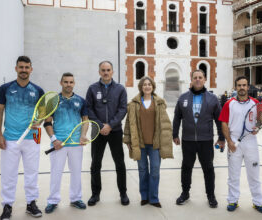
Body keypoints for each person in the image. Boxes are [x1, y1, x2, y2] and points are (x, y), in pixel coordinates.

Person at [0, 56, 44, 220]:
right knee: (8, 174)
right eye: (21, 67)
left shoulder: (38, 90)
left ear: (31, 69)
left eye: (26, 67)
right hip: (10, 138)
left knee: (32, 173)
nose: (23, 70)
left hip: (33, 138)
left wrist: (40, 120)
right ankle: (7, 205)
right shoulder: (5, 88)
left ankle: (31, 203)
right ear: (16, 68)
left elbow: (44, 114)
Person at [173, 69, 225, 208]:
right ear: (191, 79)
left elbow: (219, 120)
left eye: (200, 77)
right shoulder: (183, 97)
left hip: (206, 140)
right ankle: (185, 193)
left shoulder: (212, 98)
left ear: (204, 79)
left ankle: (211, 196)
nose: (197, 79)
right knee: (186, 167)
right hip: (188, 140)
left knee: (208, 168)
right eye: (195, 77)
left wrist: (221, 137)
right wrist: (175, 134)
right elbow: (177, 117)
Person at [219, 76, 262, 214]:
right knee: (233, 175)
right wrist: (229, 141)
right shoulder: (229, 104)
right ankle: (233, 200)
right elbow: (224, 123)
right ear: (235, 87)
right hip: (234, 141)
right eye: (239, 85)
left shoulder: (255, 103)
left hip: (250, 142)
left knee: (254, 175)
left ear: (248, 87)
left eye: (244, 85)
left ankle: (257, 202)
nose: (242, 88)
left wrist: (258, 127)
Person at [123, 76, 173, 208]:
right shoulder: (134, 104)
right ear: (141, 87)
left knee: (155, 170)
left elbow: (165, 124)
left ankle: (154, 198)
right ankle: (144, 196)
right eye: (144, 84)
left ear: (153, 87)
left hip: (155, 143)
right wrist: (128, 139)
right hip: (140, 143)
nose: (147, 86)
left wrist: (167, 140)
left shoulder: (159, 103)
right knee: (143, 170)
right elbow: (129, 123)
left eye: (149, 84)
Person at [85, 61, 129, 206]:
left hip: (115, 131)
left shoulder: (120, 89)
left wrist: (110, 125)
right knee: (95, 164)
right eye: (103, 70)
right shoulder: (92, 89)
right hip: (98, 132)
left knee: (120, 163)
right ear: (99, 72)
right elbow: (89, 109)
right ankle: (95, 194)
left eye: (108, 70)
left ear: (112, 72)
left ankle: (123, 193)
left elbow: (123, 109)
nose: (105, 72)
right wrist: (99, 125)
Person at [44, 73, 88, 213]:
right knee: (56, 173)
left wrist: (83, 136)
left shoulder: (81, 100)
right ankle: (53, 200)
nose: (68, 84)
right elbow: (47, 122)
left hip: (76, 144)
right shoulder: (53, 100)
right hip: (59, 144)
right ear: (61, 83)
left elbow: (85, 120)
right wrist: (54, 140)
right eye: (66, 82)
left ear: (74, 83)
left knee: (76, 173)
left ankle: (76, 198)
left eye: (71, 82)